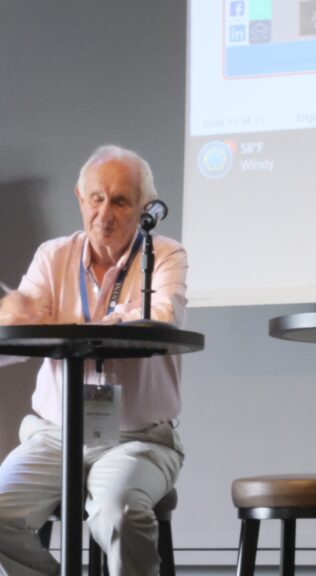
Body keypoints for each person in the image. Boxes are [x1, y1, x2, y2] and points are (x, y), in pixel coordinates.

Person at [0, 145, 188, 576]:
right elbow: (15, 339)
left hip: (137, 439)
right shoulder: (53, 255)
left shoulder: (165, 254)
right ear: (79, 199)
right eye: (96, 198)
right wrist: (13, 320)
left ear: (144, 207)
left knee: (119, 512)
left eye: (121, 201)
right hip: (54, 435)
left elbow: (162, 316)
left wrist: (80, 325)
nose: (105, 213)